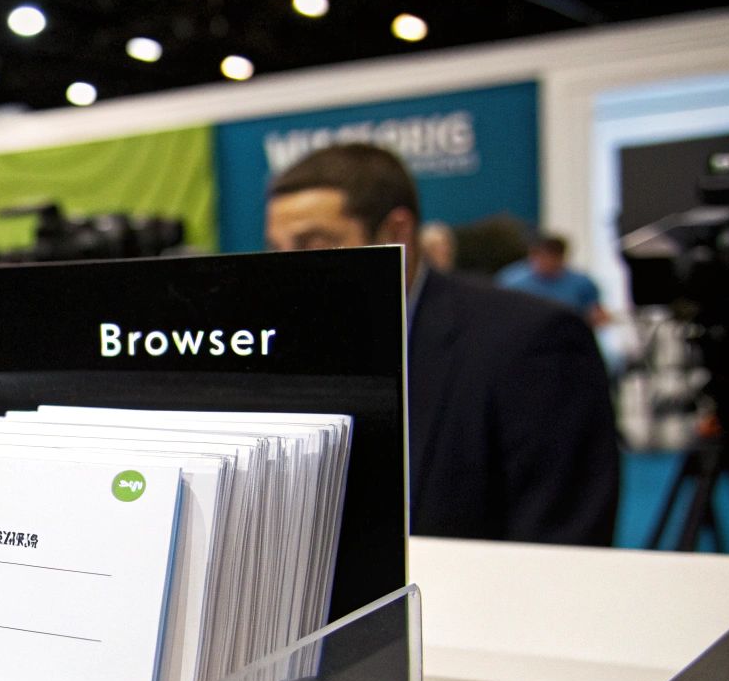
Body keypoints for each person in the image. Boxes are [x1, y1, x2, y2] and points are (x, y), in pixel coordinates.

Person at [265, 144, 619, 546]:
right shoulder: (298, 348)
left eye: (312, 242)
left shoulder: (531, 339)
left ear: (396, 232)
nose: (288, 269)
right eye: (279, 247)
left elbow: (562, 545)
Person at [498, 234, 611, 328]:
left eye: (551, 258)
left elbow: (596, 313)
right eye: (541, 257)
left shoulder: (582, 283)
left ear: (561, 258)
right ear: (532, 255)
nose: (546, 262)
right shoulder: (511, 280)